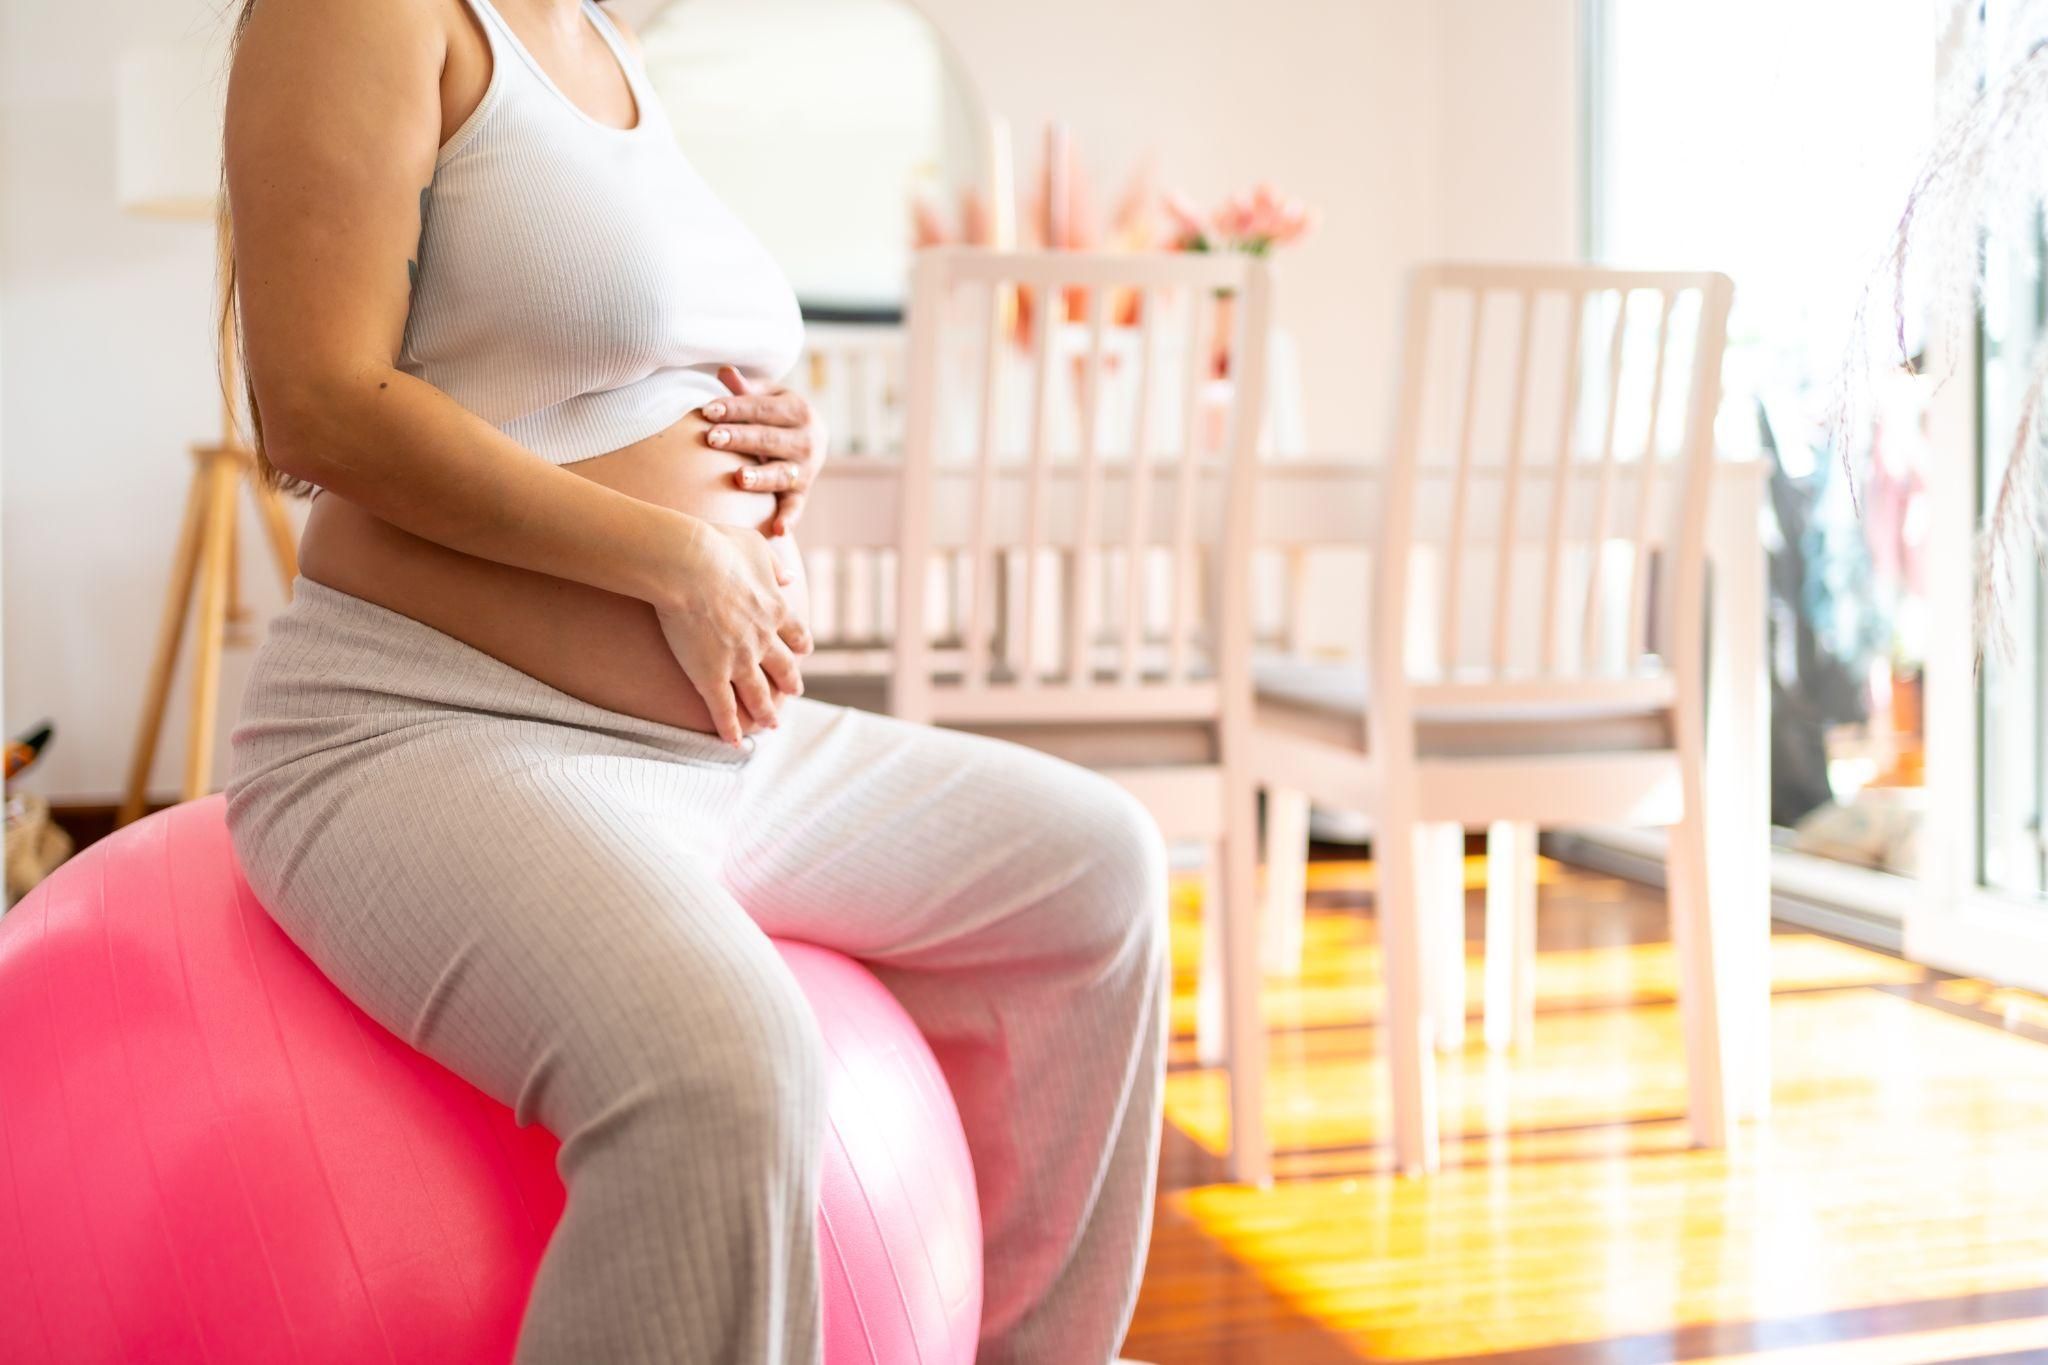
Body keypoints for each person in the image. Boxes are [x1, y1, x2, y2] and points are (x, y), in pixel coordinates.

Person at [216, 0, 1169, 1360]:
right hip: (429, 728)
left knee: (1098, 873)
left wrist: (783, 429)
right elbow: (315, 402)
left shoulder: (601, 35)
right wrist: (680, 559)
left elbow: (590, 356)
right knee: (732, 1068)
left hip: (711, 757)